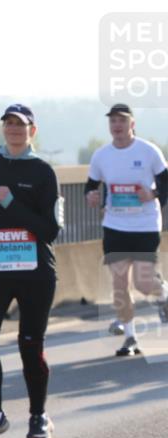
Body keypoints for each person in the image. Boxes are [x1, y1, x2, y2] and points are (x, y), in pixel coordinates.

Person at [0, 104, 62, 438]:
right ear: (3, 129)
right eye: (9, 124)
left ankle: (38, 416)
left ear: (32, 131)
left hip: (35, 272)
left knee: (30, 345)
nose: (14, 129)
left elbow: (50, 230)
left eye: (21, 125)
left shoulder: (43, 173)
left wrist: (10, 204)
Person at [85, 103, 168, 357]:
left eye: (122, 120)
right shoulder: (101, 155)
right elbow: (90, 184)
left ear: (132, 124)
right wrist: (91, 195)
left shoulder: (148, 151)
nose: (117, 126)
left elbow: (166, 183)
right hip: (115, 226)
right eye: (113, 121)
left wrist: (151, 193)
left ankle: (163, 293)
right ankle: (131, 338)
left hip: (144, 226)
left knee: (143, 284)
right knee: (120, 286)